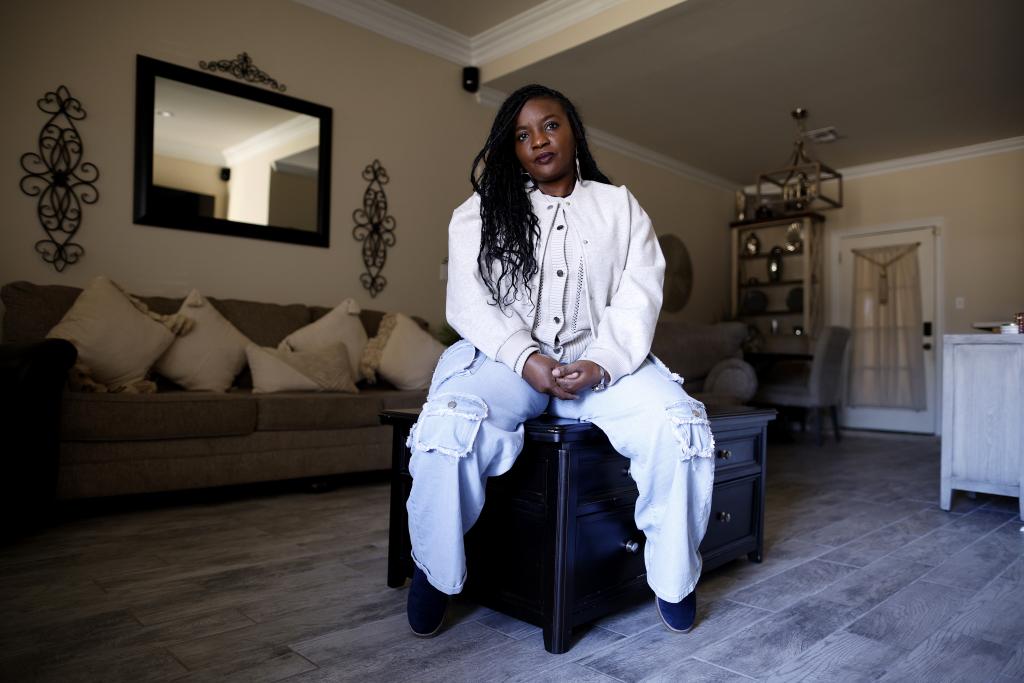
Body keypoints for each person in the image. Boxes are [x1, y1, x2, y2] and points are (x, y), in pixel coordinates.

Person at [405, 84, 715, 638]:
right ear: (512, 149)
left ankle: (673, 578)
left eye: (549, 125)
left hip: (602, 367)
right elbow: (467, 301)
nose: (537, 142)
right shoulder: (480, 211)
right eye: (521, 135)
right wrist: (523, 357)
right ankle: (434, 569)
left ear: (573, 130)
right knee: (450, 419)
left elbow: (639, 293)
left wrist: (601, 363)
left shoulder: (619, 206)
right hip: (507, 363)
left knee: (680, 423)